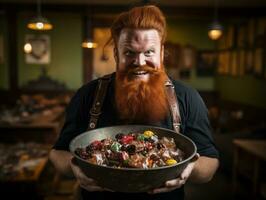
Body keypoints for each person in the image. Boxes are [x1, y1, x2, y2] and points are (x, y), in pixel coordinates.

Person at [49, 5, 219, 200]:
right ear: (116, 54)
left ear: (161, 53)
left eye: (149, 52)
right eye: (129, 52)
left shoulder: (187, 97)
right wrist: (74, 167)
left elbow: (210, 164)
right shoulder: (88, 94)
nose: (139, 61)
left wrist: (189, 168)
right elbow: (57, 153)